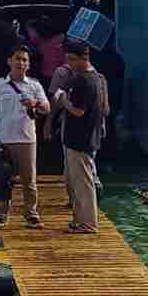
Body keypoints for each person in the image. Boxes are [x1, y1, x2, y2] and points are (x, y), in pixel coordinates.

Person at [0, 43, 49, 227]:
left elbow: (47, 108)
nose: (21, 63)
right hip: (5, 139)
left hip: (27, 139)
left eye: (24, 60)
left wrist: (35, 102)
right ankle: (1, 214)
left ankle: (31, 213)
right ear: (9, 61)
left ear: (28, 64)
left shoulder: (35, 85)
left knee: (29, 180)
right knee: (3, 180)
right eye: (17, 59)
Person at [53, 41, 105, 232]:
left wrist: (63, 100)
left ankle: (88, 223)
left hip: (80, 140)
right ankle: (80, 220)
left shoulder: (84, 80)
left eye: (71, 59)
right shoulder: (92, 77)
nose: (69, 63)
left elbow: (78, 111)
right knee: (78, 182)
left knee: (83, 183)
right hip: (83, 138)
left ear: (82, 58)